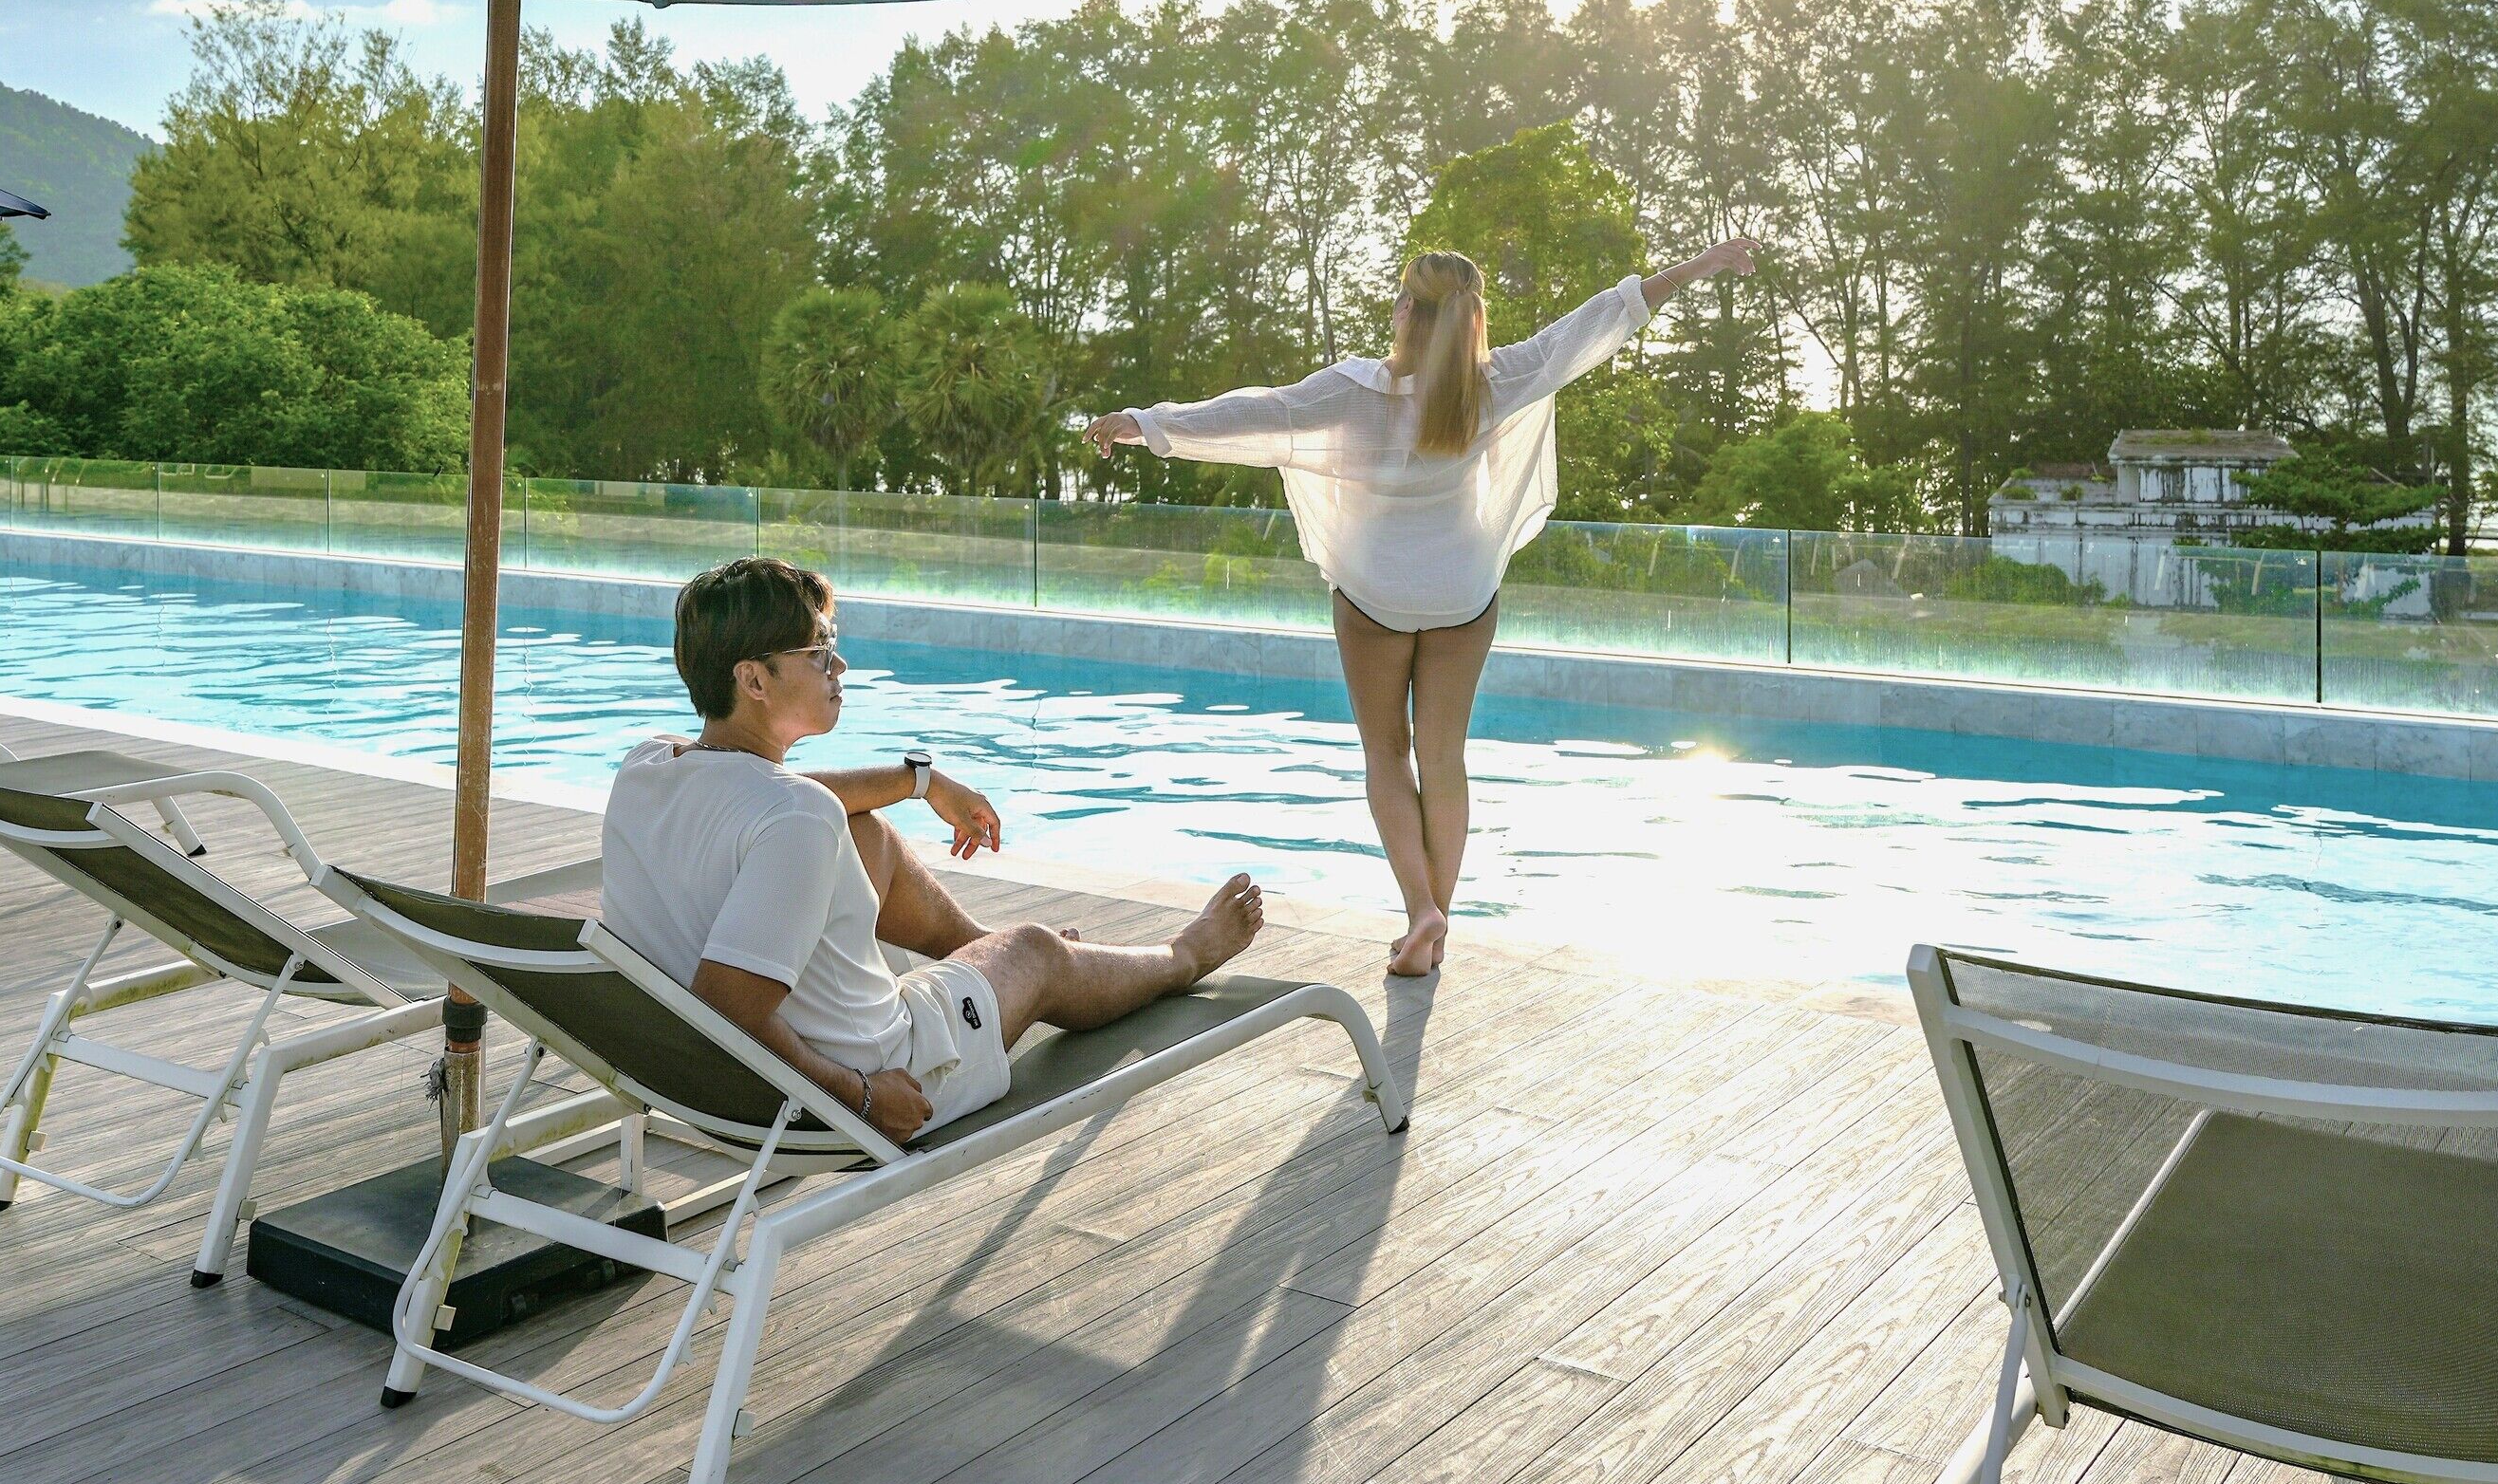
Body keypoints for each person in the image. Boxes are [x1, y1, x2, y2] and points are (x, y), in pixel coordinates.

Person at [1084, 238, 1759, 977]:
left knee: (1386, 755)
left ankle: (1419, 910)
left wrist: (1146, 423)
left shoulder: (1352, 390)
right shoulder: (1496, 381)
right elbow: (1600, 321)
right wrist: (1701, 266)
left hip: (1375, 594)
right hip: (1461, 595)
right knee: (1444, 759)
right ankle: (1437, 922)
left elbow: (1257, 415)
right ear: (1471, 321)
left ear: (1407, 311)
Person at [602, 557, 1264, 1141]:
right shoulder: (796, 818)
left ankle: (980, 954)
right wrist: (861, 1097)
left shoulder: (648, 765)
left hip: (696, 1085)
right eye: (820, 651)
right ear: (754, 680)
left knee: (865, 833)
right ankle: (1180, 955)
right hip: (880, 1072)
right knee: (1035, 949)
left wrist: (919, 781)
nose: (840, 666)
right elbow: (723, 1010)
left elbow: (777, 797)